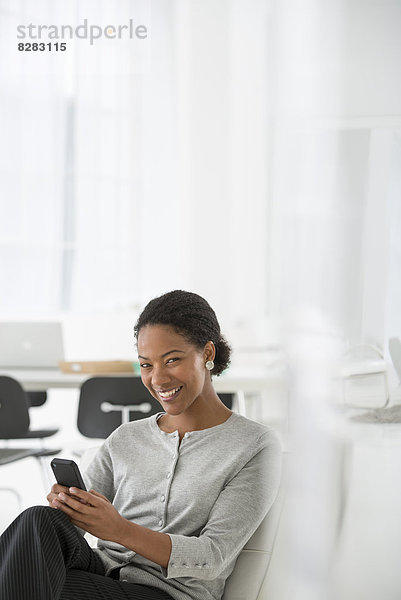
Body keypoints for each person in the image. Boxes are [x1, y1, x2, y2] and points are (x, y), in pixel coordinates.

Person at [0, 290, 282, 600]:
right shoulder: (126, 437)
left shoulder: (254, 445)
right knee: (38, 520)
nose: (158, 379)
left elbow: (212, 556)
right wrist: (72, 507)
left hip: (166, 592)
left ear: (208, 354)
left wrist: (118, 529)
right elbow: (74, 526)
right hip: (101, 571)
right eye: (146, 365)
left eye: (172, 360)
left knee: (31, 583)